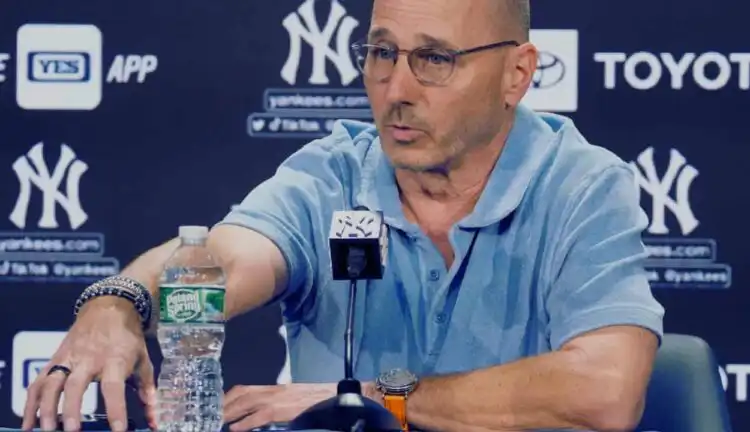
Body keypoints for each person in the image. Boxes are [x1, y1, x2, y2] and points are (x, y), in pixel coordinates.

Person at [22, 0, 665, 431]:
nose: (397, 89)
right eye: (382, 52)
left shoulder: (581, 186)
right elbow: (219, 265)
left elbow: (606, 391)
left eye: (434, 59)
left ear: (516, 74)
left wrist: (369, 400)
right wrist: (120, 302)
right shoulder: (332, 178)